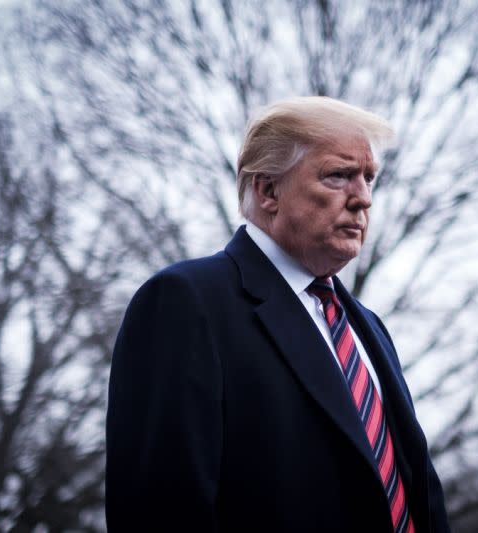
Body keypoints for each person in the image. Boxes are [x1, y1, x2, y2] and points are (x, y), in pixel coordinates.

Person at [106, 96, 452, 532]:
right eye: (339, 176)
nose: (363, 199)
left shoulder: (370, 328)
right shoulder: (185, 302)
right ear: (268, 190)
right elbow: (158, 513)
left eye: (368, 179)